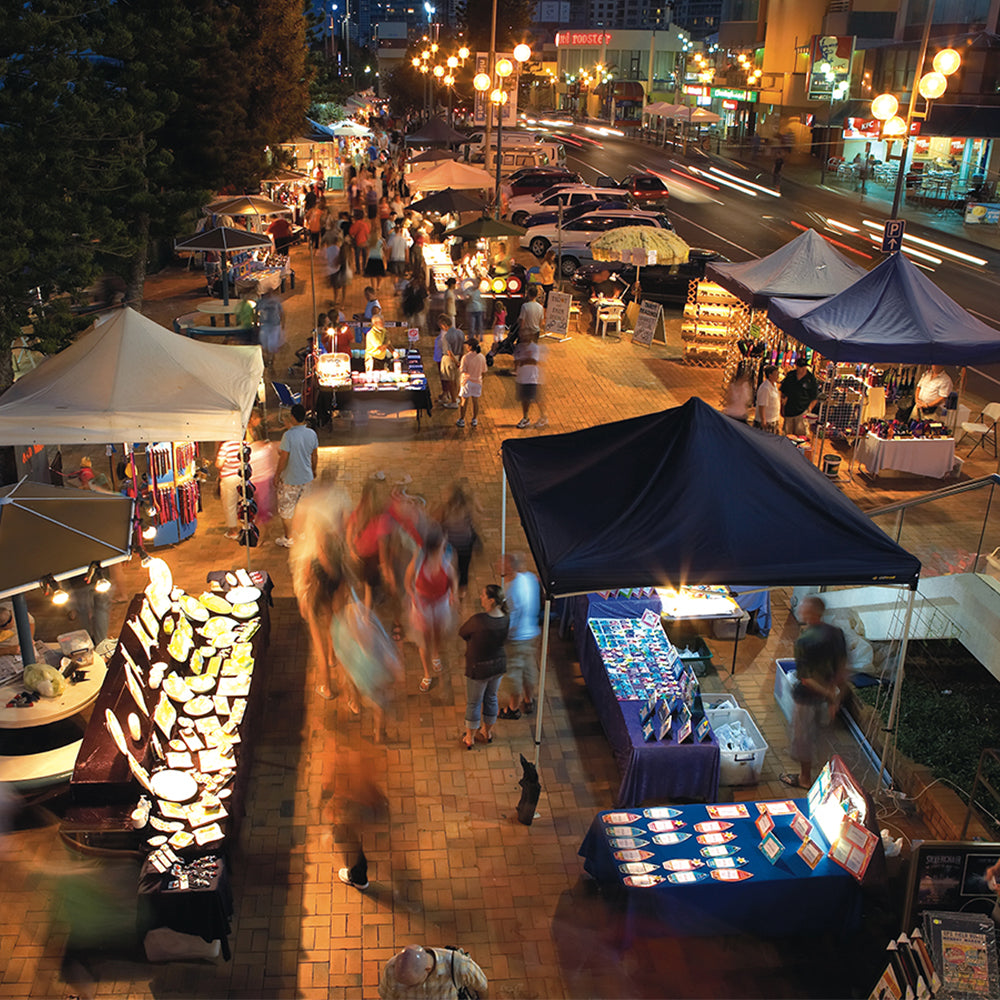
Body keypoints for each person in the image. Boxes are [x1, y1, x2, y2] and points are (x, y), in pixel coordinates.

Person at [781, 596, 847, 790]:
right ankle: (825, 776)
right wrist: (835, 697)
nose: (799, 610)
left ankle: (804, 779)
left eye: (802, 608)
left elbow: (806, 679)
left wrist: (828, 694)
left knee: (804, 739)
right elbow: (842, 667)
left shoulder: (804, 641)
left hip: (808, 699)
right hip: (828, 698)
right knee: (821, 738)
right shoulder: (836, 633)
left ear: (810, 613)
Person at [405, 526, 458, 693]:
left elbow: (453, 578)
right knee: (424, 640)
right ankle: (427, 673)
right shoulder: (419, 561)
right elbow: (408, 580)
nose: (445, 546)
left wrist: (452, 594)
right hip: (423, 605)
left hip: (441, 603)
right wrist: (412, 595)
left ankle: (436, 654)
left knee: (438, 632)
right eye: (442, 543)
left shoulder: (446, 558)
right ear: (435, 547)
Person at [458, 584, 509, 749]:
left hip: (479, 667)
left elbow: (463, 632)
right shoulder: (506, 617)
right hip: (498, 665)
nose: (481, 597)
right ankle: (487, 732)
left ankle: (469, 737)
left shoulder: (479, 620)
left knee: (474, 702)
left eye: (483, 595)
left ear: (491, 600)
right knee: (492, 697)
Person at [499, 552, 540, 719]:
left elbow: (513, 618)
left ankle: (513, 708)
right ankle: (528, 699)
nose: (498, 565)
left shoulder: (512, 589)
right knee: (528, 667)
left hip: (517, 638)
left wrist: (504, 635)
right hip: (532, 632)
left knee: (514, 672)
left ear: (510, 567)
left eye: (502, 563)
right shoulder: (530, 578)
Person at [274, 404, 318, 548]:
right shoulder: (312, 433)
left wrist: (277, 474)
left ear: (292, 417)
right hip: (306, 477)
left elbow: (284, 458)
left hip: (291, 479)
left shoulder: (288, 435)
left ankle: (289, 538)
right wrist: (313, 470)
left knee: (286, 509)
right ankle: (302, 533)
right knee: (303, 506)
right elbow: (314, 455)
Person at [378, 944, 488, 999]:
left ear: (428, 969)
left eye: (413, 984)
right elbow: (387, 996)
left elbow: (482, 987)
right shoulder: (391, 970)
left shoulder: (462, 967)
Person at [434, 482, 480, 599]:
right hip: (465, 544)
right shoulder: (467, 507)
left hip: (451, 546)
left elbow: (437, 523)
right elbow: (475, 521)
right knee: (464, 569)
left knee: (450, 568)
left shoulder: (444, 509)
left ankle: (450, 591)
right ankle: (461, 593)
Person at [514, 331, 547, 429]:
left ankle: (543, 417)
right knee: (524, 399)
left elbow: (533, 360)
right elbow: (516, 361)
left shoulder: (534, 348)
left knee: (537, 398)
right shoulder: (519, 347)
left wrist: (522, 361)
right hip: (522, 378)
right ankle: (526, 418)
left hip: (532, 378)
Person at [780, 356, 818, 436]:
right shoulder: (790, 376)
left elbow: (815, 396)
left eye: (804, 367)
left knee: (801, 436)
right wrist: (782, 405)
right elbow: (783, 391)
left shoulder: (811, 379)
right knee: (787, 435)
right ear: (797, 367)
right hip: (789, 410)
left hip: (802, 411)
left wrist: (809, 409)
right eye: (800, 367)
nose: (803, 369)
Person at [215, 439, 244, 540]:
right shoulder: (243, 443)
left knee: (229, 505)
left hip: (229, 478)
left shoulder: (226, 446)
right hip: (242, 477)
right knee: (242, 503)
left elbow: (219, 464)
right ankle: (246, 527)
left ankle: (233, 531)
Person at [456, 338, 487, 429]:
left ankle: (462, 419)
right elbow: (484, 371)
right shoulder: (481, 357)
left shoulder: (466, 357)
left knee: (464, 401)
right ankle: (474, 419)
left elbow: (462, 370)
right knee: (475, 401)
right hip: (477, 381)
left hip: (467, 381)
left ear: (470, 347)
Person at [436, 314, 463, 410]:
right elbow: (463, 347)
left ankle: (453, 401)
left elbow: (449, 351)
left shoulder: (446, 336)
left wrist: (456, 362)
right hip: (458, 357)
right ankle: (455, 397)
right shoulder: (460, 333)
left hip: (449, 359)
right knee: (456, 380)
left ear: (444, 324)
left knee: (450, 381)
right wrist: (460, 360)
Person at [257, 288, 286, 369]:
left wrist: (282, 323)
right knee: (264, 344)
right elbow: (256, 312)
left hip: (274, 325)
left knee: (272, 344)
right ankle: (267, 359)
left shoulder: (276, 302)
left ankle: (271, 360)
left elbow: (282, 313)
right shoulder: (261, 302)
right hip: (264, 325)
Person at [755, 364, 781, 432]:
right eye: (776, 374)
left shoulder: (774, 385)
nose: (778, 376)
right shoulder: (765, 388)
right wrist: (763, 420)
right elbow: (762, 405)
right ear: (770, 375)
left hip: (773, 419)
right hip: (767, 420)